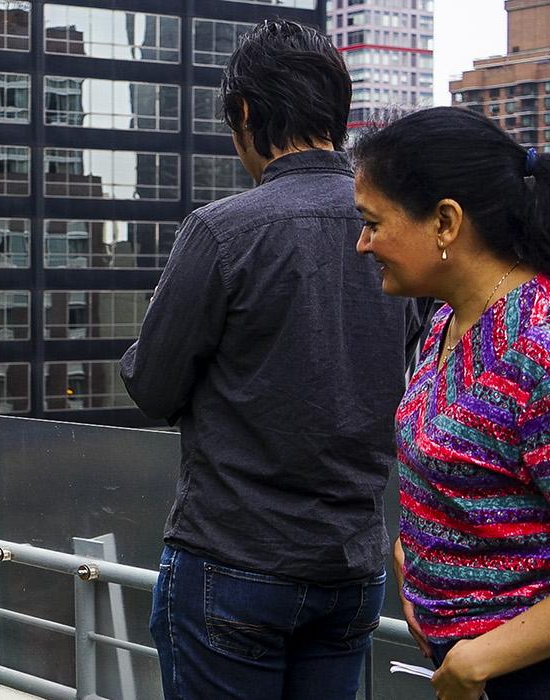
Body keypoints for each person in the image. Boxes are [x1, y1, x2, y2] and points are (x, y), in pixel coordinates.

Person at [119, 20, 416, 698]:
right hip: (352, 562)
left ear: (246, 114)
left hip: (235, 556)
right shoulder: (399, 231)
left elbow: (154, 389)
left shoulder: (223, 229)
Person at [354, 106, 550, 700]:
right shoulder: (450, 322)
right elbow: (469, 469)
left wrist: (478, 660)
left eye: (373, 222)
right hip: (491, 667)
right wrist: (418, 556)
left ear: (445, 222)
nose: (363, 244)